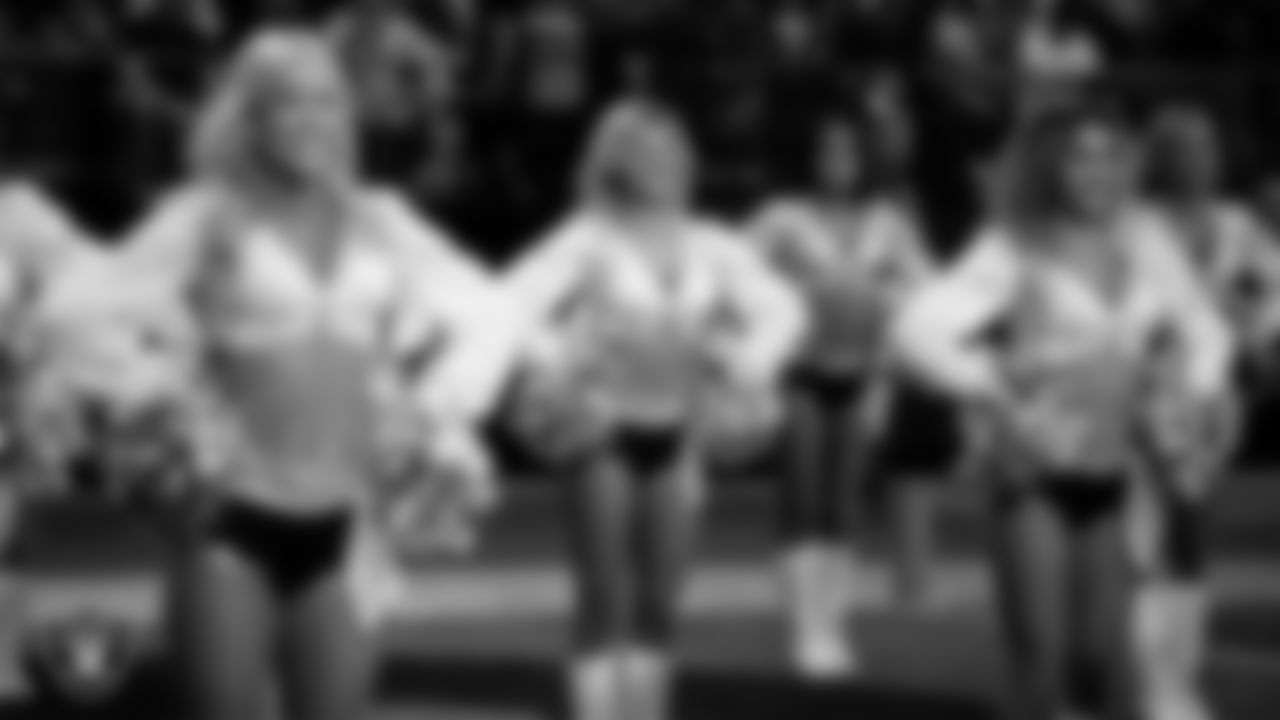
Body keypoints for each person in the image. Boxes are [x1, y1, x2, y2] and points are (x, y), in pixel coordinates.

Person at [58, 29, 516, 720]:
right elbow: (74, 314)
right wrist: (161, 402)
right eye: (289, 104)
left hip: (349, 528)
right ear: (251, 119)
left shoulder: (381, 219)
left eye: (328, 102)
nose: (314, 121)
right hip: (230, 524)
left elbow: (493, 311)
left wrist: (434, 406)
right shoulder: (205, 218)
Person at [892, 102, 1233, 720]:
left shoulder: (1146, 236)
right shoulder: (1014, 242)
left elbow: (1206, 329)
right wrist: (989, 382)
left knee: (1100, 663)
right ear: (1052, 167)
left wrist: (1192, 391)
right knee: (1038, 661)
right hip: (1031, 472)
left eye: (1110, 156)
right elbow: (915, 330)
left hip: (1114, 472)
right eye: (1080, 157)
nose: (1097, 172)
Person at [504, 100, 806, 720]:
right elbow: (506, 304)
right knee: (602, 596)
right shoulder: (588, 238)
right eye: (645, 150)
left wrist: (744, 361)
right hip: (602, 429)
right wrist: (563, 355)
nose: (662, 161)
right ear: (616, 162)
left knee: (663, 602)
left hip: (680, 432)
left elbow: (784, 309)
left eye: (672, 149)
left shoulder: (712, 244)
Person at [748, 105, 938, 680]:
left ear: (866, 158)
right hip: (802, 371)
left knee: (845, 497)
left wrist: (890, 301)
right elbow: (731, 272)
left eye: (849, 150)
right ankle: (805, 627)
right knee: (803, 492)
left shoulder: (889, 220)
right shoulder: (781, 217)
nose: (838, 160)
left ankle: (834, 625)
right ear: (808, 156)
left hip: (864, 373)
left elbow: (930, 287)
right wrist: (787, 293)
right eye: (827, 149)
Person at [1137, 104, 1280, 720]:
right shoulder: (1132, 223)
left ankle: (1180, 678)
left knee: (1193, 534)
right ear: (1162, 156)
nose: (1202, 156)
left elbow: (1275, 288)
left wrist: (1258, 333)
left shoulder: (1238, 223)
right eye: (1187, 146)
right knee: (1148, 533)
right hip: (1140, 391)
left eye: (1209, 144)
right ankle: (1147, 682)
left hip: (1212, 397)